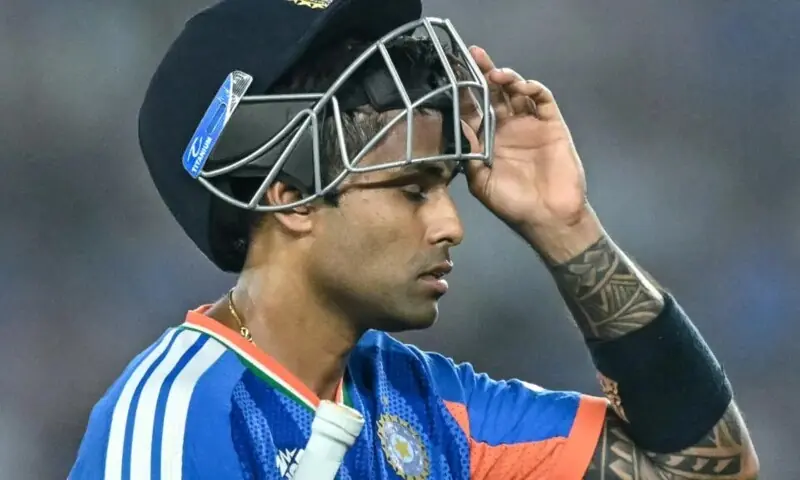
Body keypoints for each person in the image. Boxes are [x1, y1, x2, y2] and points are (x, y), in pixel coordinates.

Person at [70, 0, 760, 478]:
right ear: (289, 199)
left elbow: (704, 468)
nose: (452, 224)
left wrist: (566, 228)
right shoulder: (179, 415)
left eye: (448, 189)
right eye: (412, 190)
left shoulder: (424, 404)